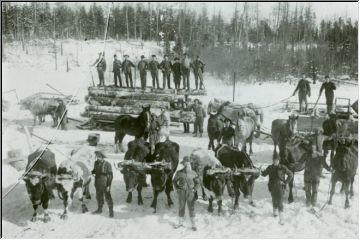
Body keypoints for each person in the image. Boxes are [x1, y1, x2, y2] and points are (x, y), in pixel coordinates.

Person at [261, 156, 293, 225]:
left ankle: (281, 218)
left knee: (280, 201)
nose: (275, 161)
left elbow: (290, 174)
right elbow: (264, 174)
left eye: (277, 160)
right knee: (274, 199)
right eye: (274, 160)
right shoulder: (270, 167)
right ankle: (275, 212)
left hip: (280, 187)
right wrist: (261, 170)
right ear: (273, 160)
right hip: (272, 186)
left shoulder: (282, 167)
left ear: (279, 161)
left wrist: (285, 182)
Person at [173, 156, 200, 231]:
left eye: (188, 163)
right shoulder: (179, 172)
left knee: (191, 208)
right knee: (181, 207)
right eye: (185, 163)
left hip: (190, 193)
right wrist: (177, 188)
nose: (187, 164)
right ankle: (180, 222)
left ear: (190, 163)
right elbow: (174, 181)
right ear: (183, 164)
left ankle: (193, 224)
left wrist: (194, 189)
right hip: (181, 192)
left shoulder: (194, 173)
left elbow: (198, 183)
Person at [303, 143, 328, 207]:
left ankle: (314, 201)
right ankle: (308, 200)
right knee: (307, 189)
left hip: (316, 175)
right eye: (311, 147)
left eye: (313, 147)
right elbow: (300, 161)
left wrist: (330, 169)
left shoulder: (320, 155)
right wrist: (293, 165)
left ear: (316, 148)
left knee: (315, 189)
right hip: (307, 174)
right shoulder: (306, 154)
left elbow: (324, 164)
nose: (312, 149)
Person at [91, 150, 114, 218]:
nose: (98, 158)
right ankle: (99, 209)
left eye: (99, 157)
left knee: (108, 197)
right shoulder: (95, 163)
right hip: (97, 183)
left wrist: (108, 185)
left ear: (102, 157)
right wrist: (92, 172)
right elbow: (94, 171)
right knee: (99, 197)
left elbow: (110, 176)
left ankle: (111, 211)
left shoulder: (107, 164)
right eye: (97, 156)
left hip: (105, 183)